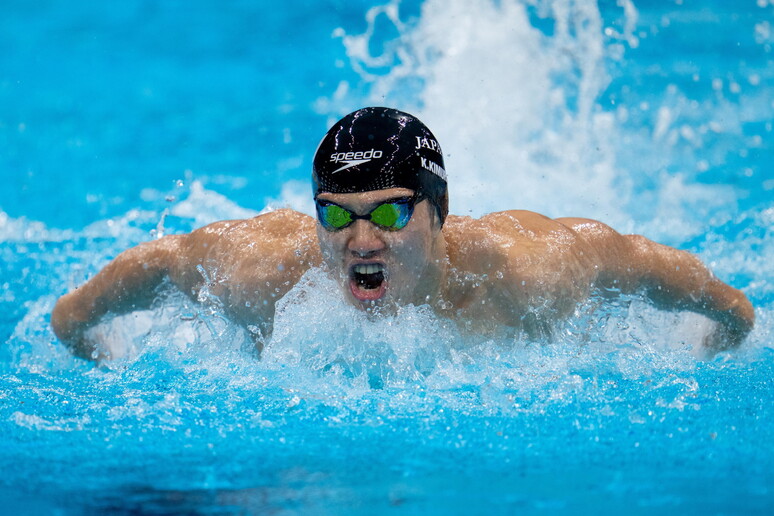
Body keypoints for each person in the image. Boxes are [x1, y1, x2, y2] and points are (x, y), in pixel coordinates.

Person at [51, 107, 755, 360]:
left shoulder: (527, 274)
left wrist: (727, 326)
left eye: (389, 213)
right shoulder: (267, 278)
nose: (361, 239)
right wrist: (82, 333)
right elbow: (168, 260)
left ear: (437, 213)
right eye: (337, 214)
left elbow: (630, 258)